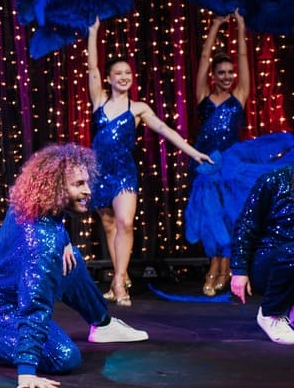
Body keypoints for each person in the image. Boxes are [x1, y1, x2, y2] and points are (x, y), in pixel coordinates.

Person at [0, 144, 148, 388]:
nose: (88, 191)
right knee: (63, 356)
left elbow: (53, 228)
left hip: (3, 279)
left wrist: (63, 241)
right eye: (79, 184)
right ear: (55, 187)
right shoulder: (41, 244)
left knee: (70, 258)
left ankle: (102, 324)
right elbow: (35, 305)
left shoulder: (34, 204)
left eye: (87, 182)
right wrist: (26, 371)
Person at [87, 18, 212, 306]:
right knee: (108, 226)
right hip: (99, 172)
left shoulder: (139, 108)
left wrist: (193, 152)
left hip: (124, 173)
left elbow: (167, 131)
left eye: (127, 73)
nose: (123, 76)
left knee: (125, 223)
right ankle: (120, 273)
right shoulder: (99, 100)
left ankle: (119, 281)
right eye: (118, 73)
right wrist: (93, 32)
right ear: (108, 78)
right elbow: (92, 67)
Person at [190, 11, 250, 296]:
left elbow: (243, 57)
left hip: (232, 167)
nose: (227, 76)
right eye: (221, 73)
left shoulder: (239, 96)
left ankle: (224, 269)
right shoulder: (203, 97)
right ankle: (213, 267)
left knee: (229, 217)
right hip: (207, 165)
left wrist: (239, 26)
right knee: (210, 218)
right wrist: (214, 26)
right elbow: (203, 59)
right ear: (213, 76)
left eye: (230, 73)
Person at [230, 163, 294, 345]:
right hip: (271, 260)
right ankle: (271, 313)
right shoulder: (273, 180)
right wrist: (239, 269)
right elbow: (246, 225)